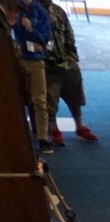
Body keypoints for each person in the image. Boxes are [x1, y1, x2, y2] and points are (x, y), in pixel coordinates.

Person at [38, 0, 98, 146]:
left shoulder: (58, 11)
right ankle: (54, 130)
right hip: (47, 64)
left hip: (66, 61)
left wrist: (71, 56)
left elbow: (68, 33)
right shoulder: (33, 11)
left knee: (75, 95)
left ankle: (80, 127)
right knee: (50, 98)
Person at [10, 0, 52, 153]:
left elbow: (45, 40)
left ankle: (42, 138)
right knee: (15, 100)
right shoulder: (13, 8)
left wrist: (29, 29)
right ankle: (18, 137)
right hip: (16, 59)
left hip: (36, 61)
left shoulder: (40, 12)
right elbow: (16, 40)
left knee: (40, 100)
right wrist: (29, 44)